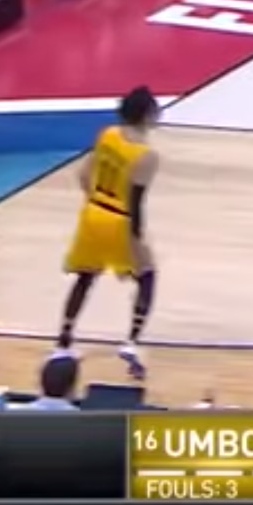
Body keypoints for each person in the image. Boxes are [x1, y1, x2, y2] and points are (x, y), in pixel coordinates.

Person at [53, 86, 161, 382]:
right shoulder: (146, 156)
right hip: (120, 220)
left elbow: (82, 175)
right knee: (147, 276)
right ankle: (131, 342)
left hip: (93, 212)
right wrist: (137, 238)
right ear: (146, 115)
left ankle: (63, 342)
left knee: (85, 277)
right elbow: (136, 204)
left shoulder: (107, 134)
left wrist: (95, 204)